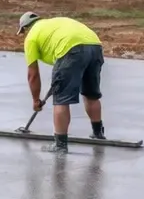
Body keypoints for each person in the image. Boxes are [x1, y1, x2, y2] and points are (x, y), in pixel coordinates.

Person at [18, 11, 103, 153]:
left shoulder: (31, 38)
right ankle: (98, 133)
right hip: (95, 46)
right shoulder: (54, 23)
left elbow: (33, 74)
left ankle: (60, 145)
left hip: (70, 49)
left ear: (26, 28)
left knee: (61, 99)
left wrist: (35, 100)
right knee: (91, 94)